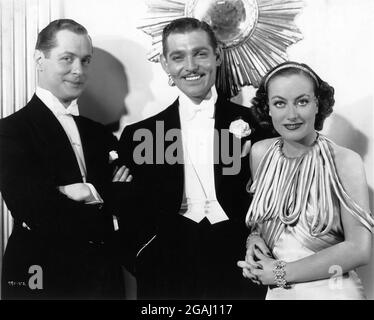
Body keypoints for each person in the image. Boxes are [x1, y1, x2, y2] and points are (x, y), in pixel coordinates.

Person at [118, 17, 273, 299]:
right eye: (178, 56)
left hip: (240, 261)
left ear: (217, 56)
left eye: (200, 53)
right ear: (165, 63)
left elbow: (271, 198)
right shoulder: (138, 134)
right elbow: (128, 209)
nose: (190, 66)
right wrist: (143, 256)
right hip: (165, 265)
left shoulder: (257, 126)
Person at [0, 19, 131, 299]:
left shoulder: (100, 134)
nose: (78, 70)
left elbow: (128, 198)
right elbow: (34, 209)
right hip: (42, 275)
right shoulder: (9, 131)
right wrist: (100, 196)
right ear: (40, 59)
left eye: (85, 61)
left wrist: (80, 193)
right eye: (67, 59)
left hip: (104, 277)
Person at [237, 61, 374, 299]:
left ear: (317, 104)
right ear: (267, 108)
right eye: (280, 103)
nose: (292, 115)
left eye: (302, 101)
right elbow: (265, 219)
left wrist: (281, 272)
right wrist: (255, 240)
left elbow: (359, 250)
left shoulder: (344, 161)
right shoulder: (261, 153)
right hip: (279, 292)